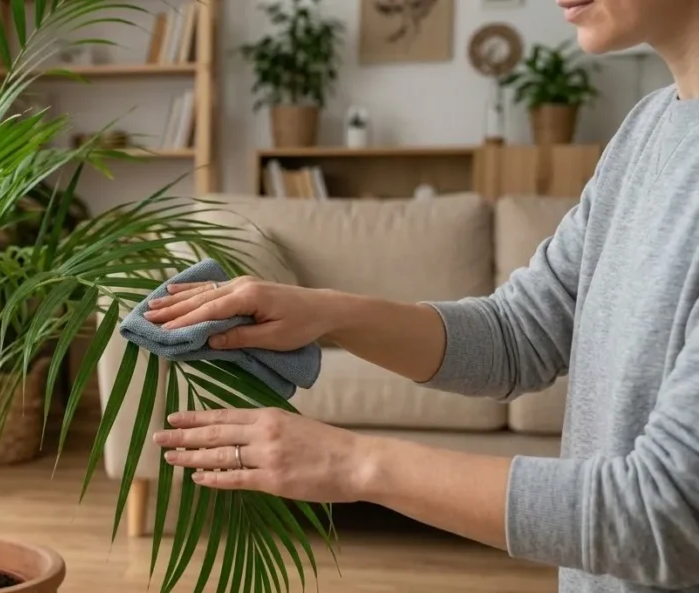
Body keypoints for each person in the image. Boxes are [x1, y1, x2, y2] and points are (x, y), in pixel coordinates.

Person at [146, 1, 699, 592]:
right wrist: (325, 312)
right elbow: (518, 336)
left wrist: (353, 464)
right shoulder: (646, 129)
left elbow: (665, 514)